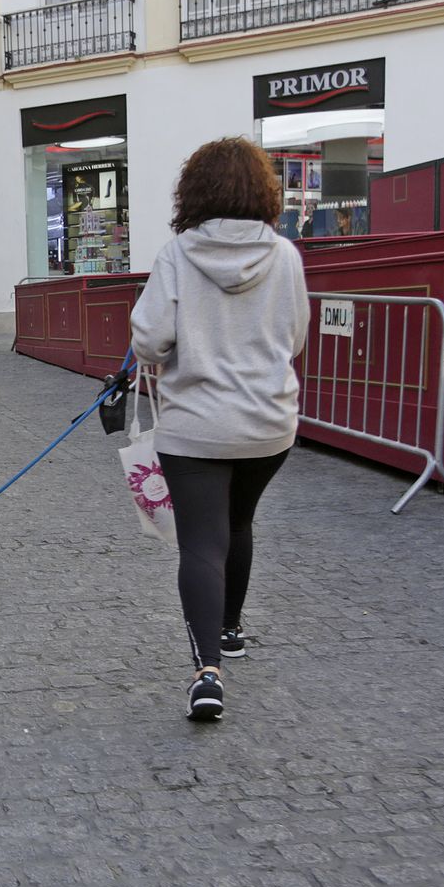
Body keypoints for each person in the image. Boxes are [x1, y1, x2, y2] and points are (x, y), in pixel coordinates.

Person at [129, 137, 309, 722]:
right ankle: (230, 629)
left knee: (202, 542)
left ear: (194, 193)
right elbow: (295, 337)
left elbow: (149, 340)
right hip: (268, 423)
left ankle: (207, 672)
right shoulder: (284, 256)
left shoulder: (177, 255)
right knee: (239, 521)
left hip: (196, 426)